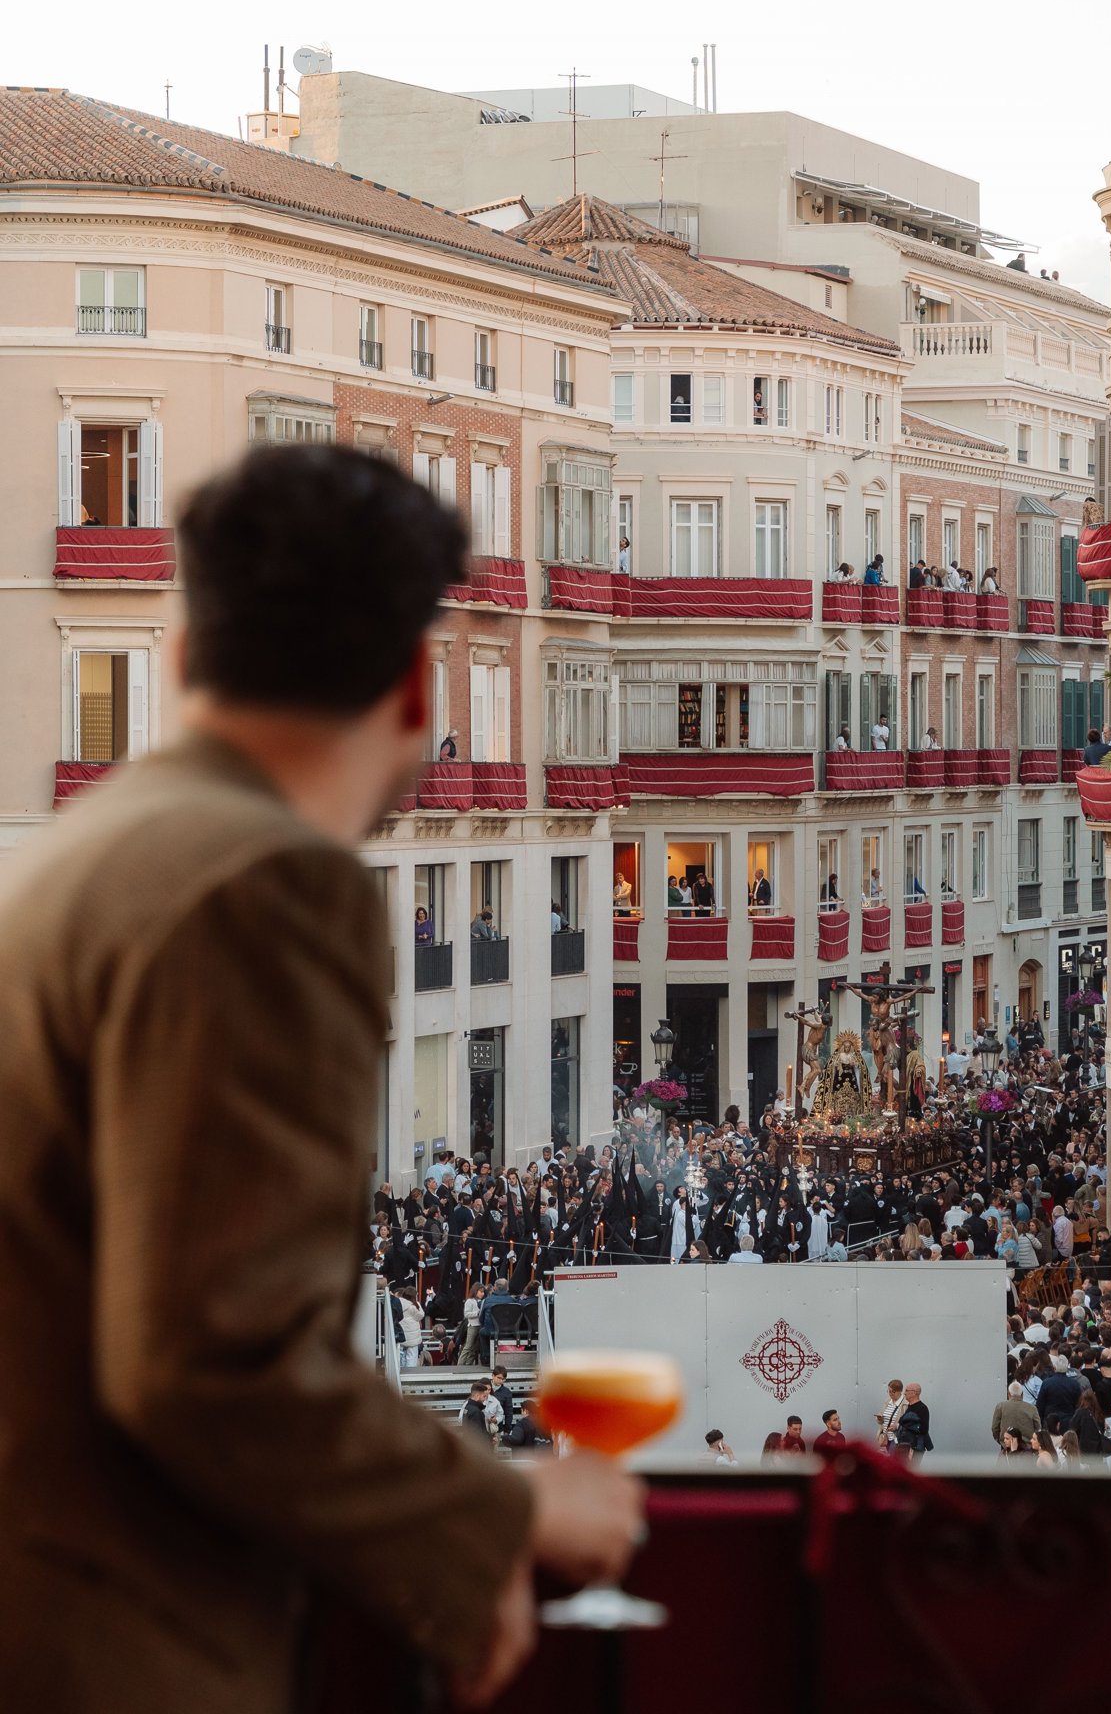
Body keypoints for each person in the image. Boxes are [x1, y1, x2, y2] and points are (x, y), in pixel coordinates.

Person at [0, 443, 641, 1714]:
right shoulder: (264, 883)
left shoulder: (97, 853)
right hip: (113, 1650)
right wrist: (498, 1516)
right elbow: (211, 1359)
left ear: (184, 658)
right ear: (415, 684)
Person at [991, 1382, 1041, 1450]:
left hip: (1007, 1448)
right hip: (1027, 1449)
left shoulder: (1000, 1407)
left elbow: (995, 1428)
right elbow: (1038, 1428)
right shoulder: (1032, 1408)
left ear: (1008, 1394)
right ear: (1022, 1394)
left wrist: (1002, 1441)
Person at [895, 1383, 933, 1463]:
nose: (904, 1393)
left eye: (906, 1390)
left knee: (911, 1471)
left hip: (914, 1447)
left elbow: (924, 1429)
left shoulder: (922, 1408)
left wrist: (905, 1423)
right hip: (904, 1446)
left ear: (914, 1392)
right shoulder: (909, 1406)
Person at [460, 1380, 496, 1447]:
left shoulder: (467, 1407)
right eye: (484, 1396)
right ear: (477, 1396)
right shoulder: (475, 1412)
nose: (485, 1399)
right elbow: (478, 1435)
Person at [877, 1380, 905, 1451]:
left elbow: (907, 1423)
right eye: (889, 1391)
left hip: (895, 1439)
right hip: (885, 1438)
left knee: (893, 1460)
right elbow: (881, 1421)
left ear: (900, 1391)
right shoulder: (887, 1402)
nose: (890, 1393)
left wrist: (897, 1426)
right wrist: (880, 1419)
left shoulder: (905, 1404)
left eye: (893, 1391)